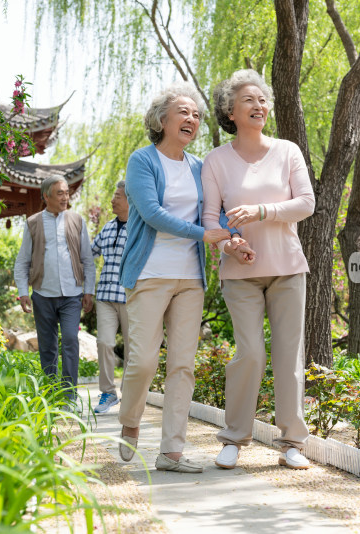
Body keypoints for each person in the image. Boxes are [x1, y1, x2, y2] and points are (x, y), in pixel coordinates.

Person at [202, 69, 316, 470]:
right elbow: (209, 220)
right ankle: (235, 437)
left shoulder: (288, 151)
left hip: (287, 268)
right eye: (249, 100)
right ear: (230, 111)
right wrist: (230, 244)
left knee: (289, 357)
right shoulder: (216, 161)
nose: (259, 106)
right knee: (250, 353)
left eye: (263, 100)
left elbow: (306, 203)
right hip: (239, 273)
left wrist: (262, 211)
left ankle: (291, 443)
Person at [118, 82, 232, 473]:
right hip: (149, 274)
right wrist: (205, 234)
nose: (192, 119)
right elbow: (150, 212)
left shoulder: (200, 167)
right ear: (161, 119)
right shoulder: (142, 161)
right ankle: (130, 421)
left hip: (190, 279)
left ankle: (171, 452)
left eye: (197, 115)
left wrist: (236, 235)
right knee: (143, 361)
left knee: (183, 364)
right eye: (184, 112)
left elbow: (216, 216)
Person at [13, 176, 95, 405]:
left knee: (70, 339)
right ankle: (52, 393)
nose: (65, 197)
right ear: (45, 197)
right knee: (47, 346)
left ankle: (69, 395)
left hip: (72, 295)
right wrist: (23, 292)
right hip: (43, 295)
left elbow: (88, 260)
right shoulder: (33, 223)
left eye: (67, 192)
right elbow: (22, 262)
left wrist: (88, 291)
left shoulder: (77, 220)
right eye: (59, 193)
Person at [90, 180, 130, 414]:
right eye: (114, 195)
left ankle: (130, 394)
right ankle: (108, 393)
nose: (113, 200)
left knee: (133, 350)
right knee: (104, 342)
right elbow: (88, 253)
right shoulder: (106, 228)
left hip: (131, 297)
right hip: (105, 295)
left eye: (118, 196)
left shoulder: (139, 228)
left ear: (130, 200)